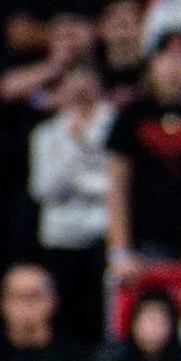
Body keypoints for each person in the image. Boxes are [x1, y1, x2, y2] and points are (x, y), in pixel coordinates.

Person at [105, 31, 181, 281]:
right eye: (166, 59)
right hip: (143, 250)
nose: (175, 68)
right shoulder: (132, 116)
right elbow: (117, 186)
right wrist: (120, 250)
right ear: (151, 65)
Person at [27, 60, 114, 342]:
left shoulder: (115, 125)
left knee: (102, 316)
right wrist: (75, 144)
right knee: (64, 316)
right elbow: (43, 188)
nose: (80, 97)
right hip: (60, 238)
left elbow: (116, 185)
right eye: (73, 91)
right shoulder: (45, 134)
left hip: (104, 234)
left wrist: (77, 181)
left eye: (86, 90)